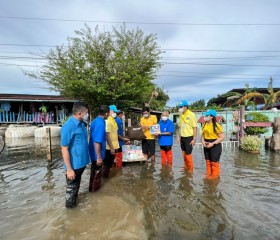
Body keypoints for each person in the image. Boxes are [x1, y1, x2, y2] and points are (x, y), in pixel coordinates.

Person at [61, 102, 90, 208]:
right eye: (86, 113)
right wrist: (69, 169)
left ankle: (75, 206)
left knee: (76, 188)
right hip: (73, 165)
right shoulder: (68, 126)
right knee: (71, 191)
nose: (87, 114)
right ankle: (70, 214)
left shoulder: (82, 123)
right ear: (79, 113)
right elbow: (64, 148)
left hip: (81, 163)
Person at [88, 105, 109, 192]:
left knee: (93, 173)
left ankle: (91, 190)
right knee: (96, 175)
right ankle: (94, 193)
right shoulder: (100, 123)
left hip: (93, 152)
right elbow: (97, 142)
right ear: (106, 114)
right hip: (97, 154)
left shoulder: (95, 121)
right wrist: (99, 157)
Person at [201, 109, 225, 179]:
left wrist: (213, 143)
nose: (205, 116)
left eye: (207, 115)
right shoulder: (204, 124)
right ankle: (208, 174)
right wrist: (203, 141)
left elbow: (222, 137)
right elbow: (202, 134)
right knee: (207, 160)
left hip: (215, 144)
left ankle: (215, 177)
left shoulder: (216, 125)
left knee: (214, 162)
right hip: (206, 143)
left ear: (211, 117)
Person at [178, 100, 197, 173]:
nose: (180, 108)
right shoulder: (181, 114)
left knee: (188, 153)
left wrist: (194, 139)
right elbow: (180, 126)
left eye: (181, 107)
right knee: (183, 153)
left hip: (189, 137)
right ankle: (185, 166)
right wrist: (179, 137)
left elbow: (195, 127)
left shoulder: (191, 114)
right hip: (182, 137)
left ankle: (190, 169)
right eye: (179, 107)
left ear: (185, 107)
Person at [103, 105, 120, 178]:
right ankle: (104, 179)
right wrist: (112, 147)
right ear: (109, 112)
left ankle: (106, 179)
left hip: (113, 146)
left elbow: (114, 133)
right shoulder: (108, 121)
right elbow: (107, 135)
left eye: (116, 112)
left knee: (110, 164)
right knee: (107, 164)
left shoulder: (113, 121)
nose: (115, 113)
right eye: (114, 111)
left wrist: (123, 139)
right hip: (109, 147)